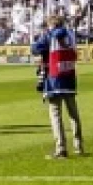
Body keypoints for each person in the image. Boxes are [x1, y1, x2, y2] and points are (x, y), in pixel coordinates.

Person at [31, 14, 84, 159]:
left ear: (52, 25)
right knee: (73, 114)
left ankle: (61, 148)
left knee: (55, 114)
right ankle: (79, 146)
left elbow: (35, 48)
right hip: (70, 77)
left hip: (55, 79)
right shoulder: (71, 34)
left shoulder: (50, 35)